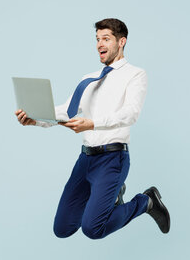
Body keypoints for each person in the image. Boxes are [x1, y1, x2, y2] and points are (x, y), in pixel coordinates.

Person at [14, 18, 170, 239]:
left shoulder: (135, 74)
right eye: (97, 39)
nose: (99, 44)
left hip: (112, 159)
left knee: (92, 229)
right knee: (62, 229)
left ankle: (146, 201)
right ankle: (113, 195)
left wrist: (93, 123)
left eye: (106, 38)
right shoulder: (88, 79)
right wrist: (35, 119)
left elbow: (130, 113)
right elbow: (66, 112)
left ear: (121, 42)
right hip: (85, 160)